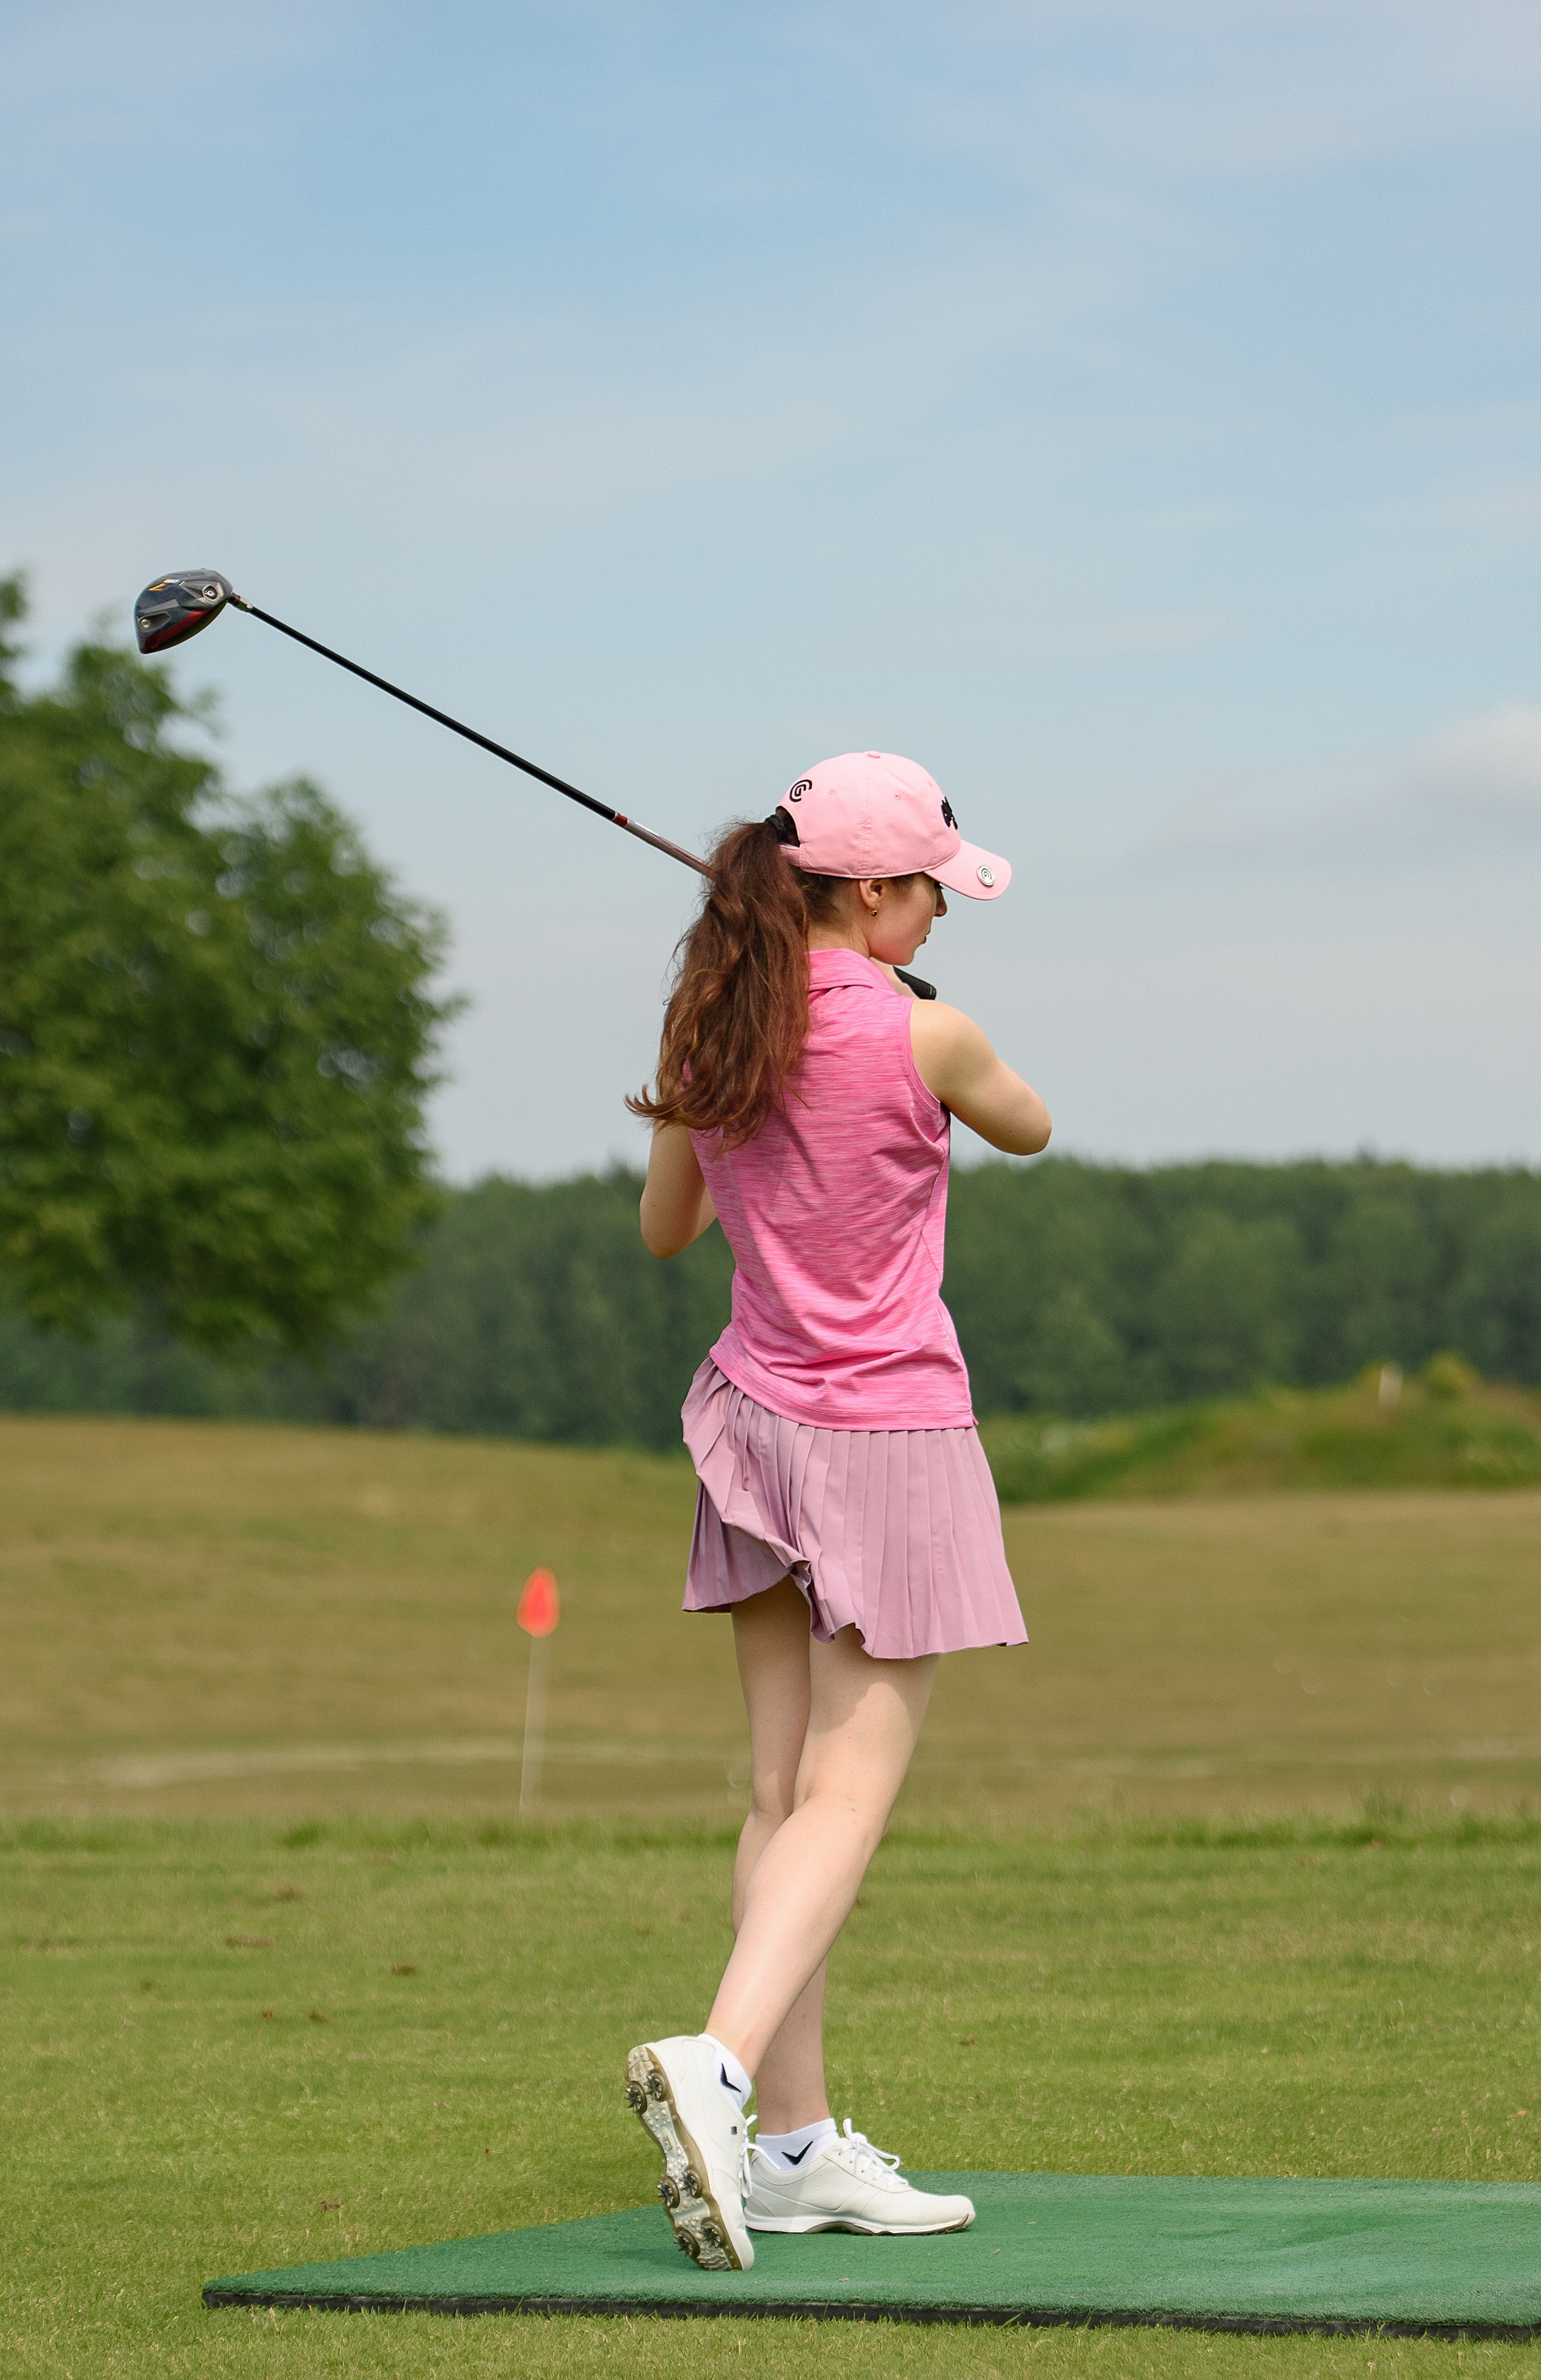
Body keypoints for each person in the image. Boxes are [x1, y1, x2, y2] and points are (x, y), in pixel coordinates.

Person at [622, 751, 1051, 2272]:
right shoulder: (930, 1030)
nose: (941, 909)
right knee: (850, 1795)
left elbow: (667, 1228)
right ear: (872, 892)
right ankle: (722, 2071)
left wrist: (716, 1059)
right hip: (888, 1436)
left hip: (748, 1418)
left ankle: (796, 2150)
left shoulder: (713, 1028)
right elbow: (1032, 1124)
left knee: (776, 1793)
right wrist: (907, 1010)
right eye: (932, 887)